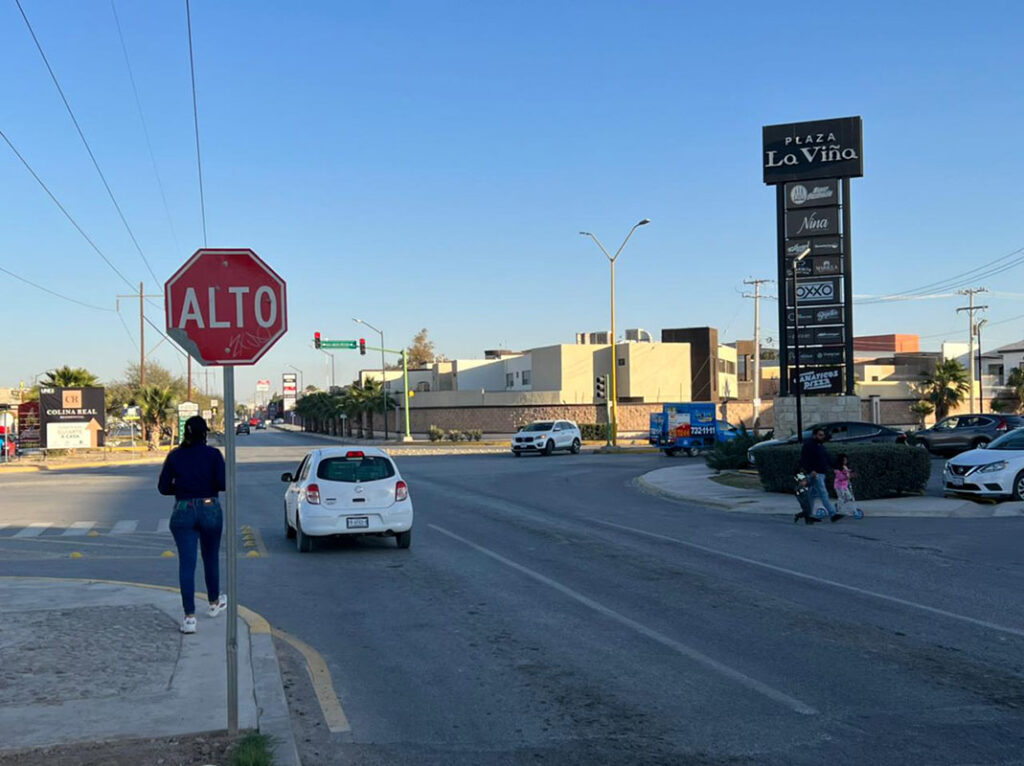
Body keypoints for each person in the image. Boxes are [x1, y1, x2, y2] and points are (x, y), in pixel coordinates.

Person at [158, 416, 227, 634]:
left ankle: (189, 618)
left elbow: (163, 487)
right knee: (210, 557)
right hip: (209, 507)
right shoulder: (214, 455)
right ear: (204, 433)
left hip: (183, 510)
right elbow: (223, 484)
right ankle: (214, 602)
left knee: (187, 564)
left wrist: (182, 490)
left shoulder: (175, 455)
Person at [800, 427, 842, 522]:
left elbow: (826, 459)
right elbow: (804, 460)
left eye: (823, 435)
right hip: (815, 474)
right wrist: (811, 470)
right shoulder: (808, 446)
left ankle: (808, 514)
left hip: (821, 473)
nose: (822, 437)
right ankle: (832, 514)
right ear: (814, 435)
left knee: (812, 495)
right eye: (820, 435)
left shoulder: (821, 446)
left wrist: (836, 467)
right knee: (823, 494)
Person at [833, 454, 864, 520]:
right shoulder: (837, 469)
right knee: (842, 498)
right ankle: (838, 509)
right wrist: (848, 476)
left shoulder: (845, 467)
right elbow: (840, 477)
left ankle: (839, 506)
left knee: (849, 497)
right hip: (839, 486)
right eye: (844, 460)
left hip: (844, 486)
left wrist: (850, 473)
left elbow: (847, 473)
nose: (846, 461)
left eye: (846, 460)